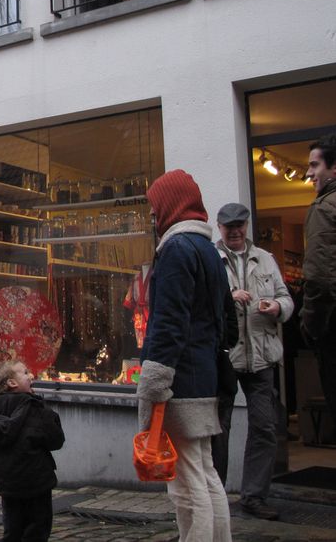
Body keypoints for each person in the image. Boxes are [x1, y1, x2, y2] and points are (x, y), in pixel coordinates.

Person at [139, 170, 232, 542]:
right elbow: (227, 320)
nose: (151, 215)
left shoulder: (177, 250)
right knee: (205, 474)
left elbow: (169, 323)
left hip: (180, 382)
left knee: (188, 485)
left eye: (154, 206)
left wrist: (154, 382)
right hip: (203, 376)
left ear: (169, 205)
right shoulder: (208, 250)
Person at [210, 203, 292, 521]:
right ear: (220, 227)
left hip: (262, 357)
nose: (235, 231)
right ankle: (216, 497)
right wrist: (228, 298)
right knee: (219, 430)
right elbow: (201, 303)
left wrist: (277, 306)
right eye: (229, 226)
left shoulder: (266, 260)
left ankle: (254, 496)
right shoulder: (212, 260)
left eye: (239, 225)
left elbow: (286, 297)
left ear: (246, 226)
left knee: (265, 428)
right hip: (226, 357)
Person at [0, 360, 64, 542]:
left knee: (13, 529)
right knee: (37, 529)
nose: (31, 375)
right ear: (12, 383)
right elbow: (56, 438)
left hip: (9, 483)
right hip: (37, 482)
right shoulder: (34, 407)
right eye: (25, 372)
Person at [303, 134, 336, 432]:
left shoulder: (324, 208)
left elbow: (318, 278)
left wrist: (310, 325)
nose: (309, 173)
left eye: (315, 165)